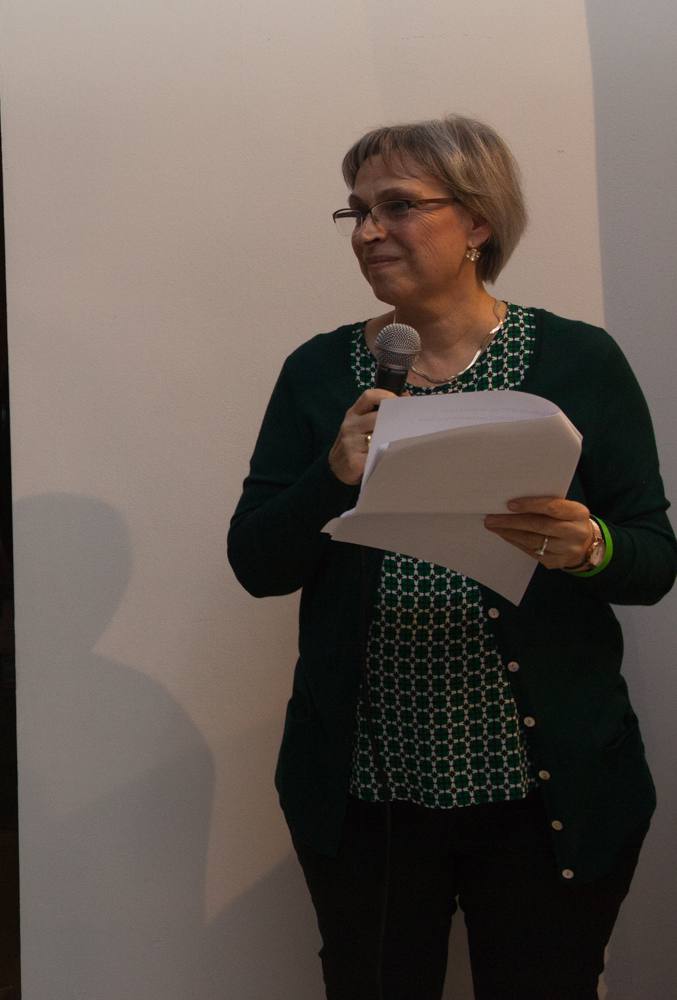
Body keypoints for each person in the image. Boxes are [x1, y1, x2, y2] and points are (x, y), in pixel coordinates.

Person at [227, 115, 673, 997]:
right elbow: (256, 562)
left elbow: (653, 556)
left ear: (477, 221)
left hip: (543, 789)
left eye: (397, 206)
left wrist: (591, 546)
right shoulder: (322, 372)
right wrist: (331, 476)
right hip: (371, 788)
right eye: (357, 211)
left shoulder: (579, 360)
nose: (368, 231)